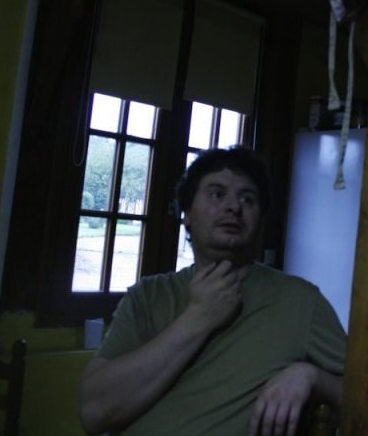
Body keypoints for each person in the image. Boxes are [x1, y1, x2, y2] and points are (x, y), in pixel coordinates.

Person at [79, 146, 346, 436]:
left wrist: (314, 378)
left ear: (260, 220)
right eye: (217, 194)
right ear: (187, 214)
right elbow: (93, 414)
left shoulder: (301, 301)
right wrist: (200, 317)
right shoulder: (148, 295)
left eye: (248, 199)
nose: (234, 207)